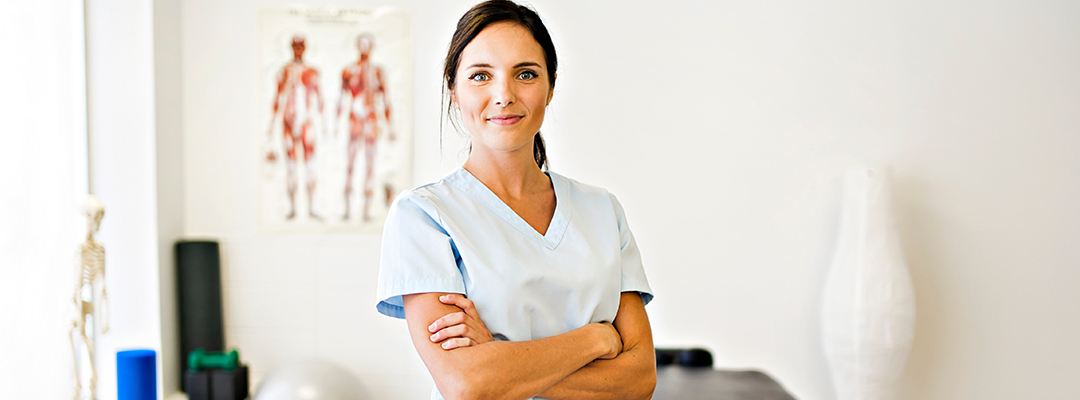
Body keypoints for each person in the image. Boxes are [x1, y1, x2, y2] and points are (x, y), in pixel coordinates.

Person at [375, 1, 656, 400]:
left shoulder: (602, 211)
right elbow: (466, 384)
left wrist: (501, 358)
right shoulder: (423, 217)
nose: (504, 95)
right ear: (453, 90)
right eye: (480, 76)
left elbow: (639, 379)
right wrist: (596, 340)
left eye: (525, 74)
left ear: (551, 86)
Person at [336, 33, 395, 222]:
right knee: (350, 164)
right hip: (355, 120)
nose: (364, 48)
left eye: (367, 45)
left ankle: (366, 211)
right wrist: (336, 124)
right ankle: (347, 209)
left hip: (370, 120)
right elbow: (341, 98)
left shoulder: (378, 72)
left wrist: (390, 126)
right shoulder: (348, 70)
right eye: (361, 44)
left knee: (370, 164)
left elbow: (386, 100)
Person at [266, 35, 323, 220]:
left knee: (310, 166)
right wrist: (271, 124)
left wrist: (325, 125)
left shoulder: (312, 72)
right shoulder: (284, 71)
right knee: (291, 167)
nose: (298, 49)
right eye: (295, 46)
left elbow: (319, 99)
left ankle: (312, 207)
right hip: (288, 123)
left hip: (306, 122)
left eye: (301, 46)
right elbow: (277, 98)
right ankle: (293, 208)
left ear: (304, 48)